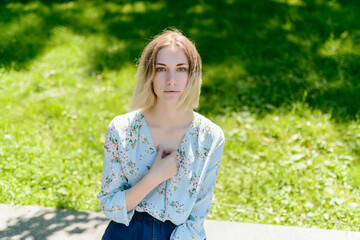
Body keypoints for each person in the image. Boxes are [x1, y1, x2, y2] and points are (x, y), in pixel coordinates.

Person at [97, 28, 225, 240]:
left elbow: (198, 215)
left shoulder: (210, 137)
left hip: (181, 234)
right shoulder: (122, 129)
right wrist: (153, 177)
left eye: (181, 69)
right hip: (127, 232)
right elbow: (110, 205)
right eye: (161, 69)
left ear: (192, 75)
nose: (171, 80)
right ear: (149, 74)